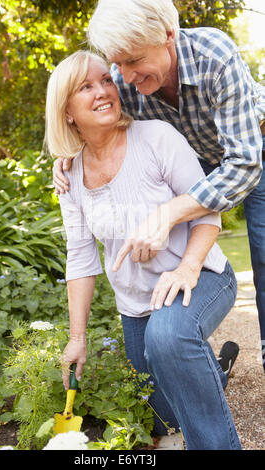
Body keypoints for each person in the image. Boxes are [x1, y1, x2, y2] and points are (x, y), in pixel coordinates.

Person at [53, 0, 265, 374]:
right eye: (116, 64)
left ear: (168, 35)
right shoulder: (124, 81)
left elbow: (243, 164)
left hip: (251, 150)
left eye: (132, 62)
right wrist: (70, 154)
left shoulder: (214, 56)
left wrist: (170, 211)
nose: (124, 76)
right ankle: (201, 361)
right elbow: (99, 128)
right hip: (199, 156)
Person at [45, 49, 242, 450]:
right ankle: (211, 369)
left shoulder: (156, 138)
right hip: (137, 305)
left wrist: (187, 268)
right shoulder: (71, 176)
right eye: (86, 87)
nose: (103, 91)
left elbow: (208, 211)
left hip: (200, 276)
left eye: (106, 80)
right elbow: (81, 257)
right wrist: (77, 338)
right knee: (159, 412)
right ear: (66, 111)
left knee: (168, 337)